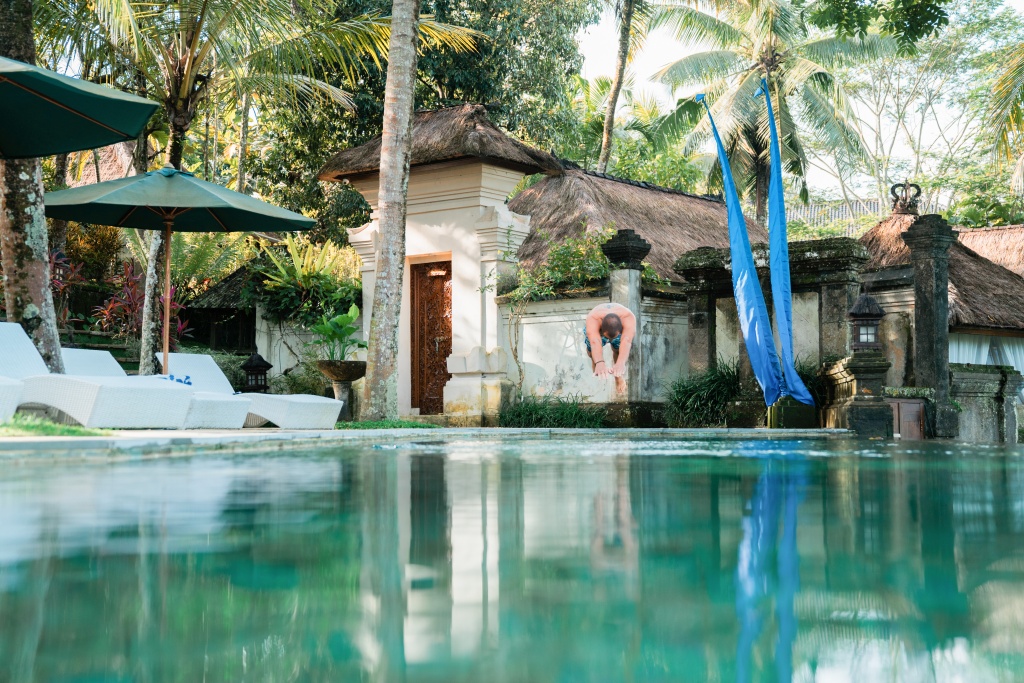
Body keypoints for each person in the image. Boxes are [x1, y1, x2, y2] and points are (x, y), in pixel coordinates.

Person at [584, 303, 636, 395]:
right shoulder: (593, 318)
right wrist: (599, 362)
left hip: (618, 333)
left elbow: (627, 340)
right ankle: (595, 362)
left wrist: (621, 363)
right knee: (591, 351)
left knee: (618, 349)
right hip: (597, 331)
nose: (610, 339)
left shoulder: (628, 317)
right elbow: (595, 341)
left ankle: (617, 375)